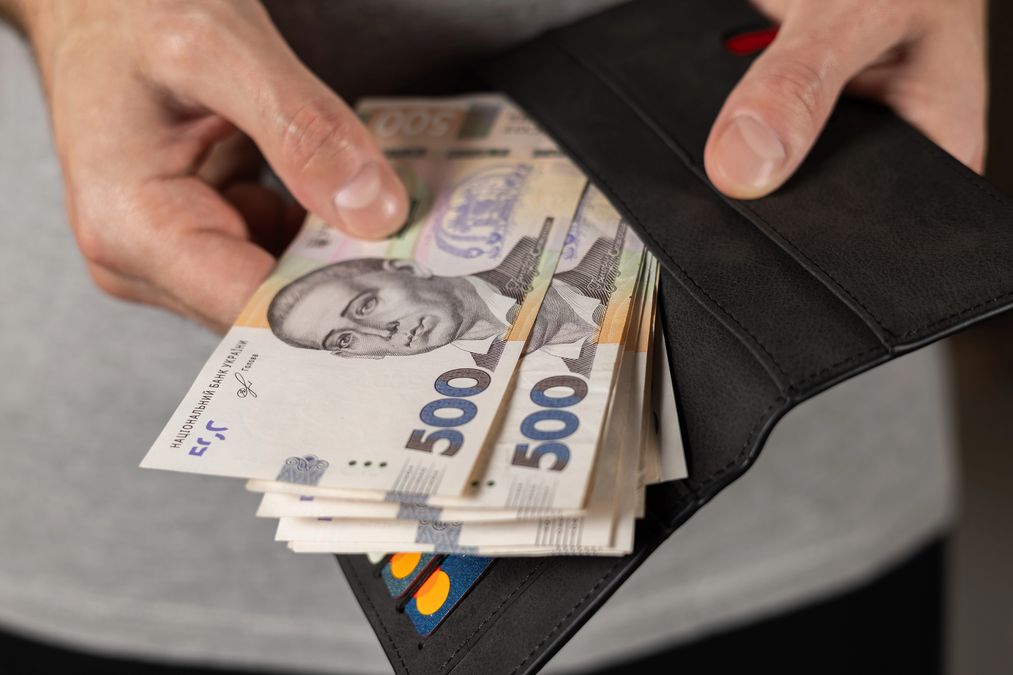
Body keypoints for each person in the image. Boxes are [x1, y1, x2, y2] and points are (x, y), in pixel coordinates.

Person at [0, 0, 985, 673]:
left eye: (358, 307)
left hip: (818, 487)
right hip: (123, 533)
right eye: (347, 338)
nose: (374, 327)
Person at [267, 229, 620, 375]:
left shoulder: (588, 242)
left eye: (366, 305)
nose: (382, 332)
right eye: (344, 339)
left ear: (408, 269)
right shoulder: (487, 383)